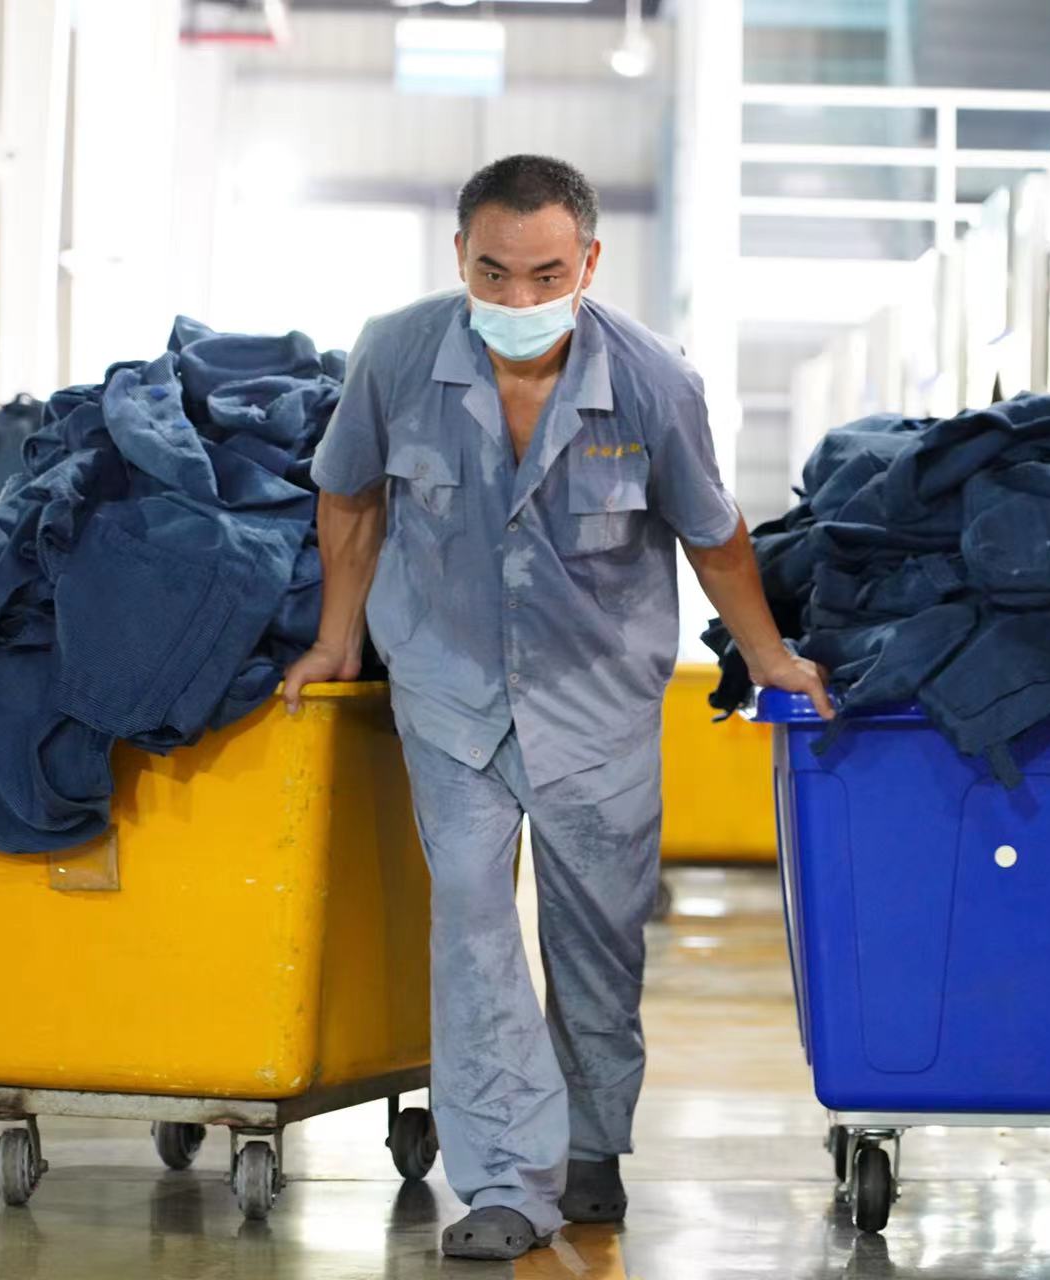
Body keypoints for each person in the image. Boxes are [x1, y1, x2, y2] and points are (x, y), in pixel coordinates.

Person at [284, 154, 832, 1262]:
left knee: (598, 935)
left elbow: (712, 531)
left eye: (545, 274)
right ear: (460, 256)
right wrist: (338, 638)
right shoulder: (395, 353)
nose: (519, 297)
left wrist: (769, 654)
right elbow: (349, 495)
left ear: (588, 261)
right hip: (449, 689)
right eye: (494, 271)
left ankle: (589, 1143)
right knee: (471, 920)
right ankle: (502, 1179)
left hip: (597, 702)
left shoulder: (653, 379)